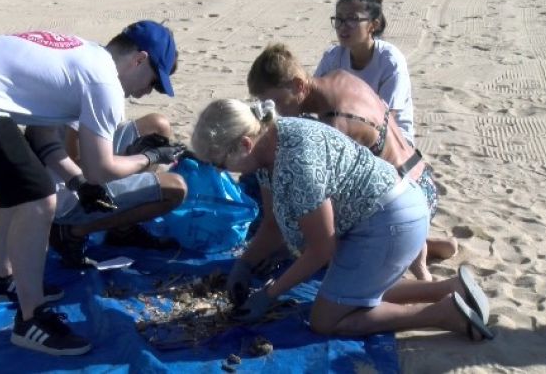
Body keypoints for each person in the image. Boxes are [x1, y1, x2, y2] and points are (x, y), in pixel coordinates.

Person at [0, 20, 183, 355]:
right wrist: (150, 156)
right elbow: (102, 169)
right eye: (153, 82)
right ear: (139, 59)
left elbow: (41, 137)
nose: (147, 93)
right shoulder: (104, 82)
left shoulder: (85, 56)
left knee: (17, 189)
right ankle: (31, 321)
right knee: (38, 200)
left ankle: (0, 281)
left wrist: (77, 183)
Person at [191, 99, 493, 341]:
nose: (223, 171)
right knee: (349, 289)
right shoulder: (267, 144)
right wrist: (245, 263)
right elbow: (273, 226)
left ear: (244, 144)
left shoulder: (296, 163)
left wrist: (269, 294)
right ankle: (450, 289)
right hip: (385, 216)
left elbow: (322, 249)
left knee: (326, 320)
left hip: (390, 221)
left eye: (221, 164)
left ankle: (442, 315)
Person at [248, 43, 458, 281]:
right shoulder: (337, 77)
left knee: (319, 235)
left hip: (412, 198)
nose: (273, 114)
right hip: (422, 178)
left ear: (298, 86)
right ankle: (424, 243)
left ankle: (419, 265)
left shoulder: (337, 123)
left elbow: (328, 217)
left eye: (275, 104)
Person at [48, 113, 188, 268]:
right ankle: (72, 231)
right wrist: (147, 156)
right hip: (68, 194)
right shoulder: (98, 93)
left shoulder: (100, 92)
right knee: (176, 188)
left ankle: (123, 230)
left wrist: (134, 152)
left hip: (78, 166)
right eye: (153, 86)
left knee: (158, 126)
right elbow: (80, 167)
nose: (148, 92)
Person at [314, 0, 415, 145]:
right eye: (339, 19)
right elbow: (311, 97)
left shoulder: (390, 61)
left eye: (353, 19)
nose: (343, 26)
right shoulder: (333, 56)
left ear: (372, 25)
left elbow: (386, 121)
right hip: (344, 135)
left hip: (392, 143)